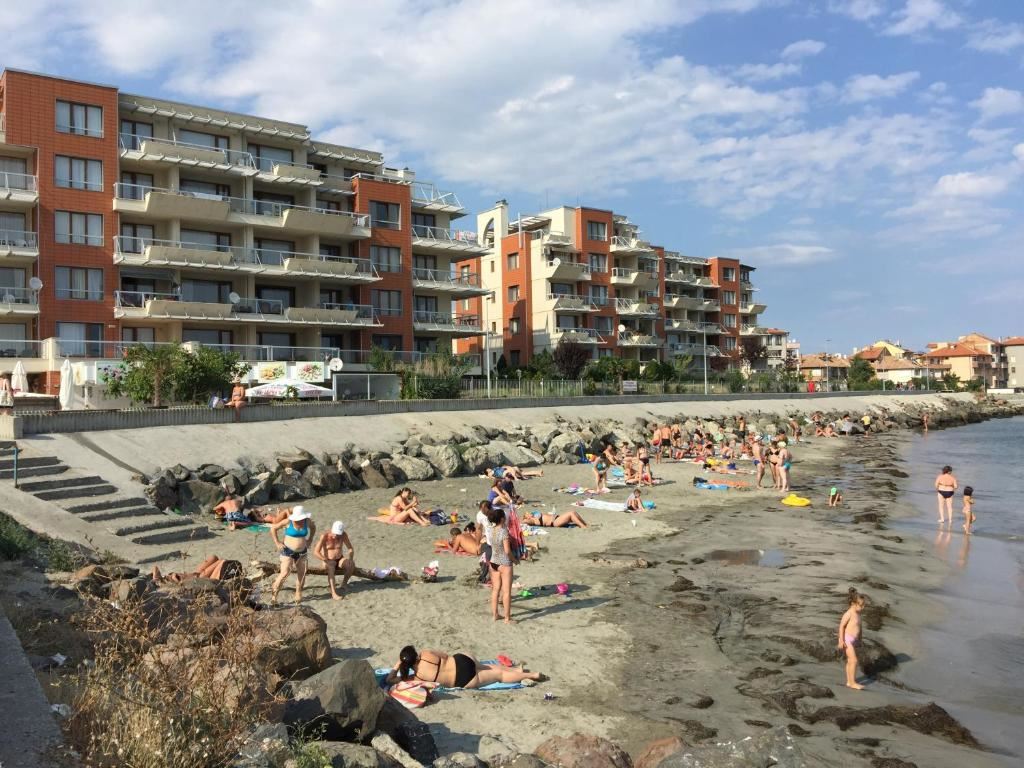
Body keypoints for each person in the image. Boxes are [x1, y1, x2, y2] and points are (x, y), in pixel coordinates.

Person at [387, 646, 544, 689]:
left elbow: (390, 679)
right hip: (462, 661)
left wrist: (398, 665)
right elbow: (445, 655)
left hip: (462, 679)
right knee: (486, 667)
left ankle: (530, 675)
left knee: (498, 676)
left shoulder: (417, 677)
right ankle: (517, 670)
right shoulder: (426, 653)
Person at [269, 506, 315, 605]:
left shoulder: (307, 521)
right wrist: (277, 542)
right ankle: (274, 597)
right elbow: (273, 528)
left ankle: (298, 592)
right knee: (284, 573)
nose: (301, 520)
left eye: (302, 518)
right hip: (287, 551)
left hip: (302, 552)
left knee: (302, 573)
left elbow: (313, 527)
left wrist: (310, 538)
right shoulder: (288, 522)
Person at [314, 520, 355, 600]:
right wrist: (325, 560)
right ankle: (333, 593)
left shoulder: (343, 535)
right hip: (327, 560)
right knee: (331, 567)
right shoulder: (324, 536)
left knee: (351, 564)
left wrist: (350, 558)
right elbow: (316, 552)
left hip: (339, 559)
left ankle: (344, 584)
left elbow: (350, 548)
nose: (336, 536)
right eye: (335, 533)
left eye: (338, 534)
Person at [487, 507, 515, 623]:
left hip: (493, 561)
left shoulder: (491, 530)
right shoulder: (504, 531)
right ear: (502, 519)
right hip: (504, 562)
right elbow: (507, 551)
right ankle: (507, 618)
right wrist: (515, 560)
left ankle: (495, 615)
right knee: (506, 592)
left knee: (495, 590)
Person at [838, 588, 868, 690]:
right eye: (861, 605)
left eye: (864, 605)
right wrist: (841, 640)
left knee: (850, 661)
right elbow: (841, 626)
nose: (863, 607)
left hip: (854, 641)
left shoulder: (858, 615)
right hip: (847, 640)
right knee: (854, 660)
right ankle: (852, 682)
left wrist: (860, 639)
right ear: (853, 603)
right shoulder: (849, 613)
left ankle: (849, 681)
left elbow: (860, 628)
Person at [522, 508, 588, 528]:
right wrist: (525, 519)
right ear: (527, 517)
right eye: (527, 514)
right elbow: (524, 522)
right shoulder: (533, 521)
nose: (529, 513)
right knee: (571, 513)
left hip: (557, 518)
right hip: (554, 522)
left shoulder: (535, 515)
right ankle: (583, 526)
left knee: (573, 512)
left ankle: (585, 524)